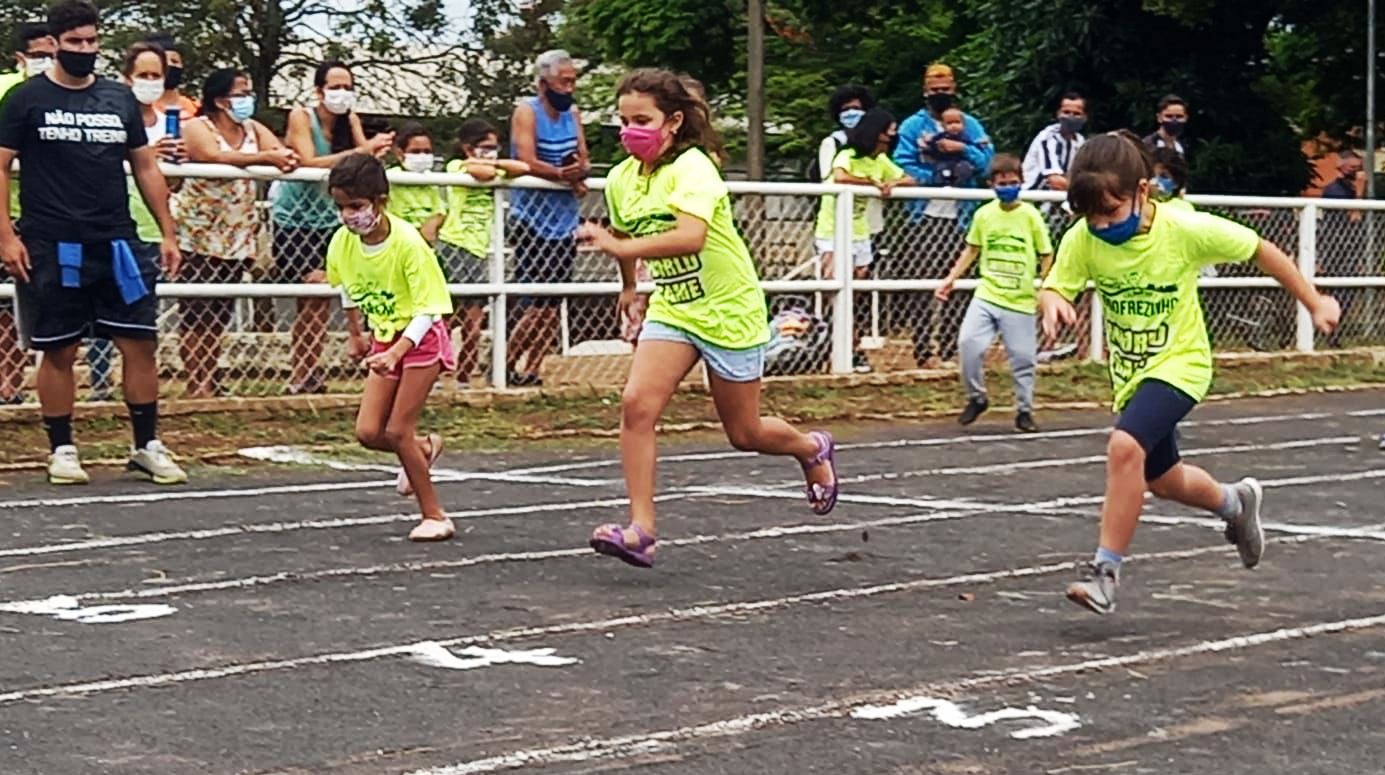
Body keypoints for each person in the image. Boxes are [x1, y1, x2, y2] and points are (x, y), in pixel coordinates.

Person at [1039, 133, 1340, 615]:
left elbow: (1262, 250)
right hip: (1132, 375)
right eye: (1090, 216)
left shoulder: (1184, 229)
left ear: (1143, 190)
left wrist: (1314, 301)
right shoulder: (1084, 238)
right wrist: (1052, 298)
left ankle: (1105, 573)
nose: (1100, 225)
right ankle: (1234, 504)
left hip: (1182, 365)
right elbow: (1058, 283)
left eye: (1111, 212)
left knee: (1124, 447)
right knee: (1162, 479)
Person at [577, 68, 839, 568]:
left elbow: (689, 236)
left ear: (673, 121)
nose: (631, 130)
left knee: (745, 433)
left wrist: (622, 246)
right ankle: (641, 529)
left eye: (643, 120)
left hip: (728, 309)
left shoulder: (694, 168)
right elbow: (622, 232)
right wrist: (630, 286)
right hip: (675, 306)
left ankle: (810, 448)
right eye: (623, 120)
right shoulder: (620, 178)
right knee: (636, 404)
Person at [0, 0, 187, 485]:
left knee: (140, 342)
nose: (85, 50)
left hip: (118, 242)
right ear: (56, 44)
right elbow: (0, 166)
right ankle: (62, 447)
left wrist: (167, 229)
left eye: (92, 41)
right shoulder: (25, 99)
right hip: (52, 242)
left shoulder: (117, 98)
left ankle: (147, 444)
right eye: (76, 42)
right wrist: (6, 236)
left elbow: (145, 166)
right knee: (59, 349)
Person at [325, 155, 456, 541]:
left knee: (398, 430)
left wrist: (398, 351)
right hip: (384, 338)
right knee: (368, 431)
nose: (349, 216)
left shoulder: (408, 244)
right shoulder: (342, 243)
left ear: (380, 200)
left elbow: (429, 308)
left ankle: (435, 514)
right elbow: (347, 286)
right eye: (341, 207)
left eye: (356, 206)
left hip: (420, 339)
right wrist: (355, 333)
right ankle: (424, 448)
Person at [272, 60, 393, 395]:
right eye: (335, 86)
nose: (342, 93)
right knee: (309, 295)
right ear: (319, 90)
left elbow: (362, 163)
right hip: (295, 220)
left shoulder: (350, 120)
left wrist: (374, 150)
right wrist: (363, 149)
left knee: (325, 297)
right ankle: (299, 374)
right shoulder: (301, 117)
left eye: (347, 86)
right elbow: (310, 161)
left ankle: (310, 372)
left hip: (331, 219)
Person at [180, 67, 298, 398]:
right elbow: (213, 155)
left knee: (220, 312)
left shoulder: (252, 129)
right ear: (219, 100)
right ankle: (196, 381)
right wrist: (265, 157)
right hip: (200, 233)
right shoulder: (197, 127)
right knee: (196, 313)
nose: (247, 100)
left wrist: (279, 156)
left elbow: (283, 154)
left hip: (237, 235)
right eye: (240, 93)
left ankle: (211, 375)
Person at [935, 153, 1052, 433]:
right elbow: (972, 249)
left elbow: (1046, 253)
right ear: (992, 184)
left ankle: (1024, 409)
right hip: (988, 293)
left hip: (1020, 299)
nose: (1007, 187)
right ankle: (976, 397)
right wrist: (951, 278)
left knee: (1023, 358)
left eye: (1013, 182)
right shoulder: (984, 215)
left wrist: (1045, 289)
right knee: (968, 345)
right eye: (1002, 183)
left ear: (1021, 183)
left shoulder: (1030, 216)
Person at [892, 63, 995, 366]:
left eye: (945, 90)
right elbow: (902, 161)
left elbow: (988, 162)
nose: (940, 95)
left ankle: (952, 348)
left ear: (954, 91)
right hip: (924, 216)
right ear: (926, 91)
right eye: (935, 91)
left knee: (960, 285)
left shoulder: (970, 124)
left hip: (962, 217)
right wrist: (932, 176)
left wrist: (961, 150)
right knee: (922, 283)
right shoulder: (913, 126)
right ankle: (923, 350)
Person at [506, 49, 590, 387]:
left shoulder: (573, 114)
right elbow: (526, 159)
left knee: (554, 304)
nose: (569, 88)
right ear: (544, 83)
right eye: (563, 81)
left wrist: (577, 170)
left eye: (572, 82)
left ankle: (535, 368)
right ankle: (505, 362)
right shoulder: (527, 111)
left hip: (564, 219)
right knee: (536, 302)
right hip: (531, 217)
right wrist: (560, 173)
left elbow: (583, 156)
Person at [813, 106, 915, 370]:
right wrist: (872, 184)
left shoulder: (880, 161)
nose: (892, 137)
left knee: (855, 290)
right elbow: (839, 176)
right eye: (889, 132)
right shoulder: (847, 154)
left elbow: (909, 179)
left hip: (859, 231)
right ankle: (829, 343)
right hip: (832, 230)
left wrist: (892, 184)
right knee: (833, 287)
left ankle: (848, 345)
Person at [437, 118, 530, 388]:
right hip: (455, 245)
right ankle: (435, 371)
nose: (492, 151)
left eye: (495, 147)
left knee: (474, 324)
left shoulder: (493, 166)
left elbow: (522, 167)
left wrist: (496, 162)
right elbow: (482, 174)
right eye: (485, 147)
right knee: (446, 318)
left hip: (478, 250)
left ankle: (465, 376)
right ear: (468, 148)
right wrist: (490, 165)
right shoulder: (457, 166)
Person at [0, 22, 56, 405]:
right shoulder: (5, 89)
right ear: (20, 58)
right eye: (38, 56)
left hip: (41, 214)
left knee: (21, 310)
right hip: (5, 209)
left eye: (50, 54)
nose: (47, 62)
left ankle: (12, 384)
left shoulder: (67, 90)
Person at [385, 121, 444, 244]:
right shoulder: (389, 178)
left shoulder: (432, 180)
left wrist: (433, 223)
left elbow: (441, 211)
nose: (422, 156)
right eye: (415, 152)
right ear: (400, 153)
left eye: (427, 152)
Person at [1022, 92, 1087, 192]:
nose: (1071, 117)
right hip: (1033, 198)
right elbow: (1055, 181)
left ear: (1085, 117)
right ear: (1058, 113)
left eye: (1076, 114)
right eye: (1066, 112)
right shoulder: (1047, 138)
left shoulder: (1080, 141)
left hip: (1059, 199)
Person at [139, 32, 196, 121]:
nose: (170, 65)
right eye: (163, 62)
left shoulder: (195, 108)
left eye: (175, 61)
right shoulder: (139, 109)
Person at [920, 107, 977, 186]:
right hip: (944, 161)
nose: (954, 126)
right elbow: (933, 145)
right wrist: (927, 143)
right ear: (943, 126)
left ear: (963, 124)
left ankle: (958, 184)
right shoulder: (941, 137)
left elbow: (972, 148)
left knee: (965, 167)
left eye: (957, 122)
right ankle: (940, 185)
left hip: (959, 162)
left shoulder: (965, 137)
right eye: (949, 123)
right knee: (940, 169)